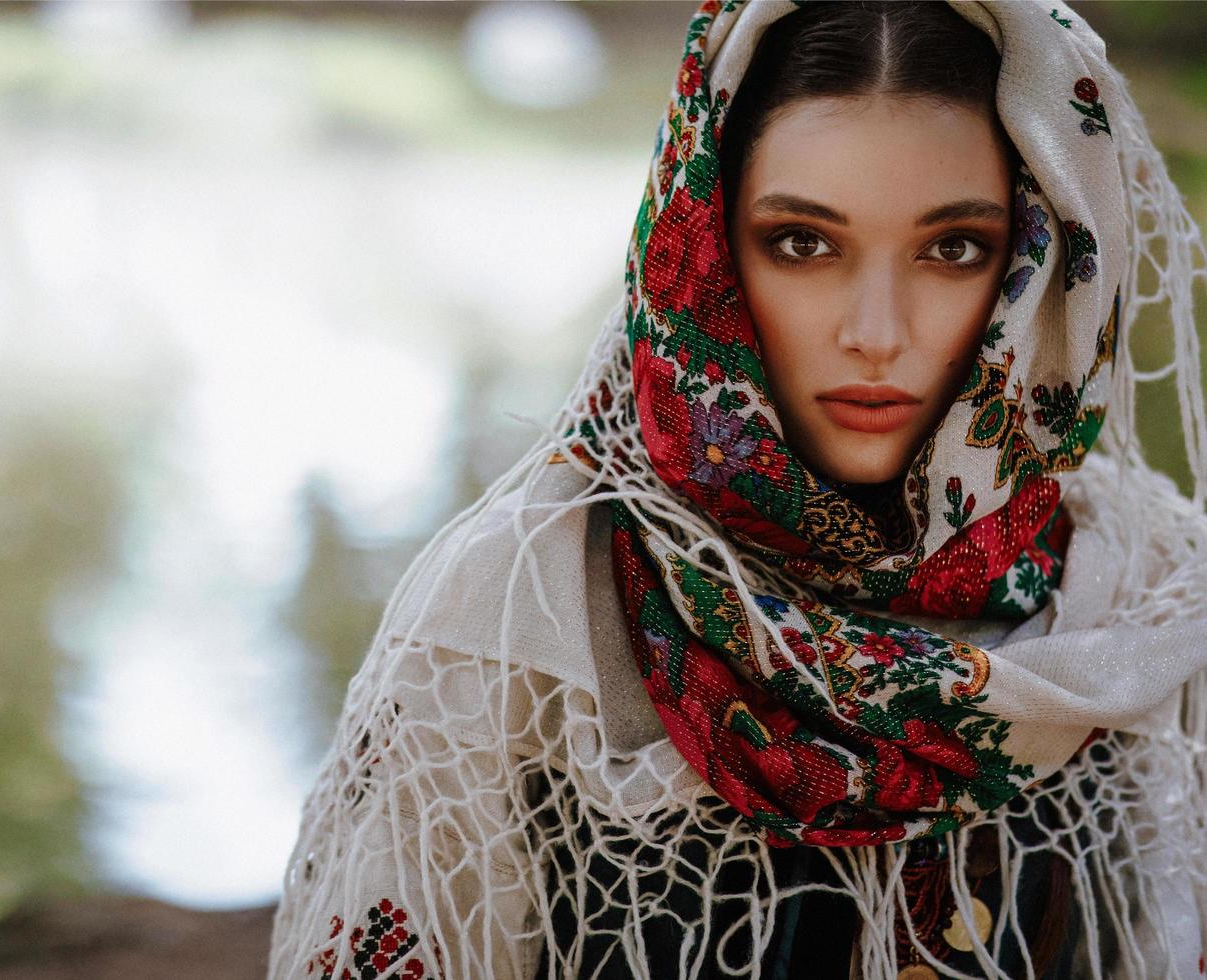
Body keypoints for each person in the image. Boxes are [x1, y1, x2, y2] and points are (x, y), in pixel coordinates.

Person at [268, 2, 1207, 978]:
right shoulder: (530, 597)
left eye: (953, 247)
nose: (876, 332)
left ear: (1041, 262)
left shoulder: (1139, 587)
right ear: (706, 246)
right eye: (804, 242)